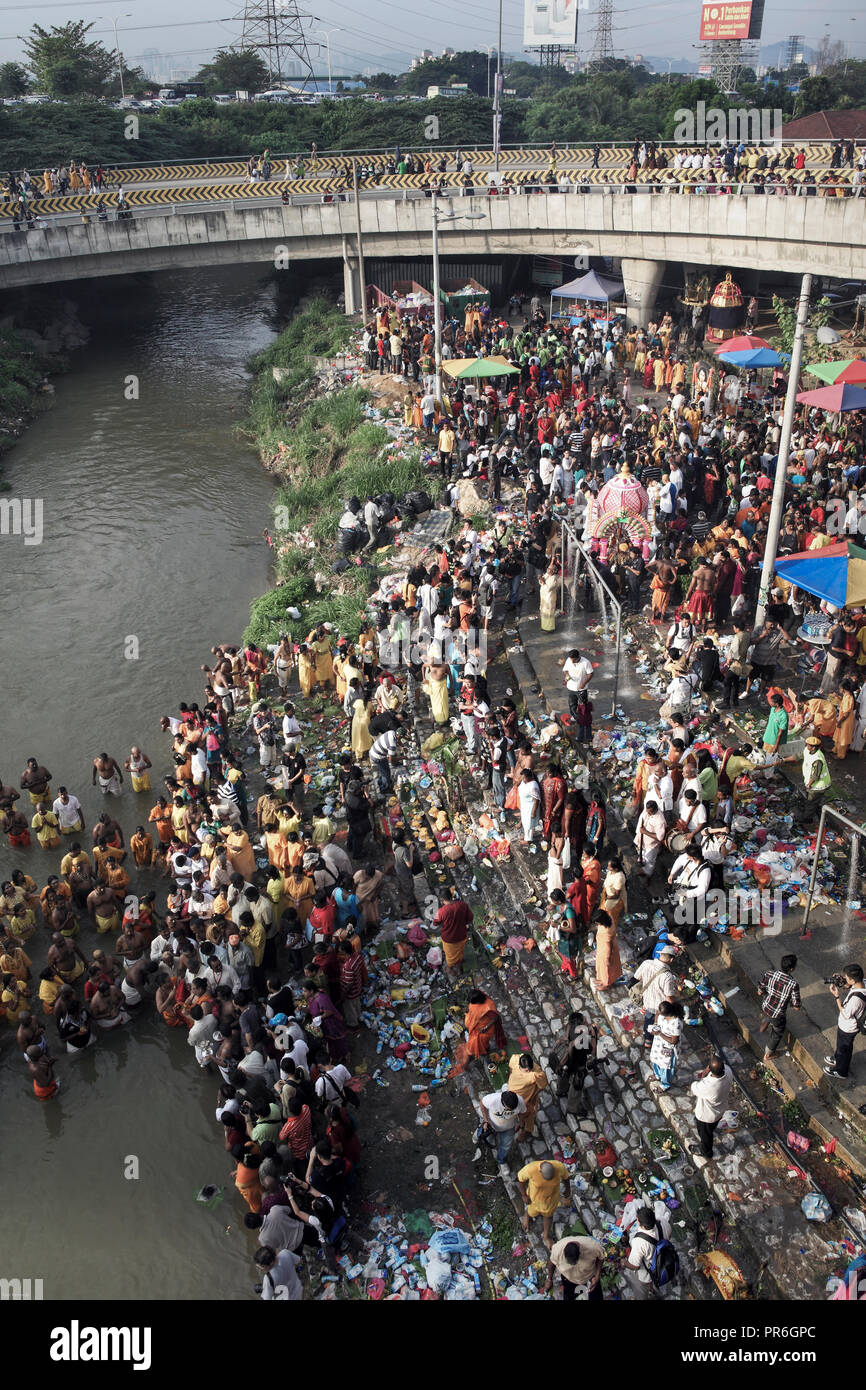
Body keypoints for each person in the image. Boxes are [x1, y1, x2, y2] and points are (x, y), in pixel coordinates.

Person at [624, 1203, 677, 1299]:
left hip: (648, 1274)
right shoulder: (663, 1223)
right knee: (652, 1280)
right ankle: (652, 1289)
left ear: (640, 1224)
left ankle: (648, 1292)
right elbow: (668, 1236)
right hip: (662, 1261)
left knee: (643, 1288)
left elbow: (635, 1266)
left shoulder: (639, 1242)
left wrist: (624, 1263)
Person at [824, 964, 866, 1080]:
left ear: (853, 980)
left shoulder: (856, 1000)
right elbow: (851, 986)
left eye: (846, 977)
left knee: (845, 1049)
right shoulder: (863, 983)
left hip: (848, 1027)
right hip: (845, 1026)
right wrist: (843, 982)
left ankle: (841, 1071)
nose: (845, 978)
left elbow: (846, 1014)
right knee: (841, 1046)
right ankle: (837, 1058)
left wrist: (837, 996)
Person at [689, 1054, 733, 1161]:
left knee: (705, 1134)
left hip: (706, 1116)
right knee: (711, 1127)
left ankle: (706, 1151)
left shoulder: (709, 1086)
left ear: (710, 1069)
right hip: (720, 1110)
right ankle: (710, 1134)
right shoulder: (728, 1071)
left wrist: (704, 1073)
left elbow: (694, 1087)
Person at [517, 1159, 569, 1248]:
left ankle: (546, 1236)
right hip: (534, 1200)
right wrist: (524, 1195)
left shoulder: (559, 1167)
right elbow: (520, 1179)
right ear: (540, 1171)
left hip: (551, 1200)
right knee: (531, 1212)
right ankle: (527, 1215)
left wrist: (568, 1190)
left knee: (548, 1216)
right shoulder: (531, 1169)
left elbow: (566, 1178)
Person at [758, 954, 801, 1062]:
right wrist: (791, 1003)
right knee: (777, 1032)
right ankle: (768, 1054)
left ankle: (766, 1022)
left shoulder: (769, 973)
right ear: (792, 969)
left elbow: (760, 990)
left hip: (765, 1005)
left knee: (770, 1011)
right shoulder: (793, 984)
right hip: (777, 1014)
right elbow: (797, 1007)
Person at [477, 1087, 526, 1175]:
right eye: (509, 1108)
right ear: (502, 1102)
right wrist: (486, 1120)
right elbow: (482, 1104)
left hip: (509, 1128)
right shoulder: (492, 1100)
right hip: (492, 1125)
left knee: (505, 1146)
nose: (511, 1111)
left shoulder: (520, 1101)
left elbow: (522, 1113)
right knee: (485, 1138)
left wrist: (521, 1125)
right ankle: (477, 1136)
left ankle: (502, 1161)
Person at [542, 1236, 604, 1301]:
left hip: (589, 1278)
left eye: (574, 1262)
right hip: (569, 1280)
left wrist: (597, 1276)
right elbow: (552, 1262)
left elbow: (601, 1257)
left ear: (580, 1253)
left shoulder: (593, 1247)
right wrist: (549, 1279)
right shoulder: (557, 1249)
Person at [507, 1051, 548, 1140]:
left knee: (528, 1115)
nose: (528, 1071)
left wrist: (533, 1097)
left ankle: (527, 1131)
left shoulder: (535, 1074)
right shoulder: (516, 1059)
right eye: (526, 1070)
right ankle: (520, 1123)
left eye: (530, 1069)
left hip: (526, 1099)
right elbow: (510, 1068)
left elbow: (543, 1085)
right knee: (519, 1114)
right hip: (513, 1097)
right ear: (519, 1065)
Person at [433, 887, 472, 977]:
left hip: (449, 938)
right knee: (460, 951)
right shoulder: (463, 905)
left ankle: (449, 967)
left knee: (450, 956)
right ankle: (458, 967)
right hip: (462, 935)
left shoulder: (441, 912)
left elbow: (435, 923)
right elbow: (470, 918)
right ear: (451, 896)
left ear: (442, 899)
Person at [648, 999, 684, 1091]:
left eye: (661, 1012)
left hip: (668, 1048)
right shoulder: (661, 1015)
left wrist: (660, 1033)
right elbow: (657, 1014)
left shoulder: (676, 1023)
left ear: (667, 1014)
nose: (658, 1013)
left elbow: (673, 1041)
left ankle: (665, 1084)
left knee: (666, 1067)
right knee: (656, 1060)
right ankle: (657, 1074)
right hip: (658, 1044)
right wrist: (655, 1024)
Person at [464, 989, 506, 1059]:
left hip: (486, 1027)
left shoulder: (488, 1006)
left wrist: (486, 1028)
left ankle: (485, 1050)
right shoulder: (474, 1003)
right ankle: (482, 1050)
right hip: (476, 1023)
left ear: (478, 1000)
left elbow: (495, 1018)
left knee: (480, 1040)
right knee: (473, 1040)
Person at [801, 736, 831, 819]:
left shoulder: (817, 759)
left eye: (808, 745)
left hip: (818, 785)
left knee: (811, 803)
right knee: (811, 800)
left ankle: (807, 819)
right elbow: (799, 755)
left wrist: (808, 785)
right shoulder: (807, 750)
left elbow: (815, 776)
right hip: (812, 783)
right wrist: (784, 760)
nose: (806, 746)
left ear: (813, 747)